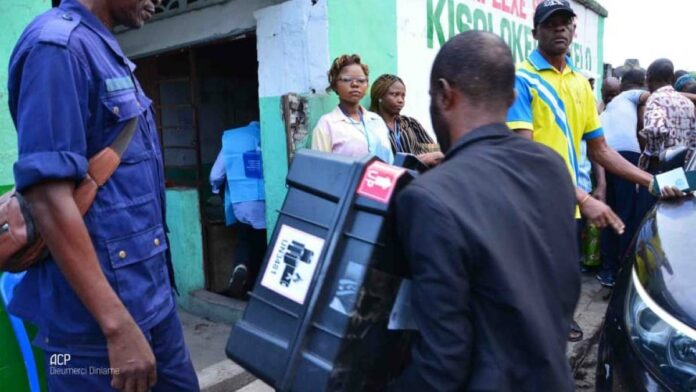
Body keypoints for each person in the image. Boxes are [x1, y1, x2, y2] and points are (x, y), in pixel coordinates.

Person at [7, 0, 199, 390]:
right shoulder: (56, 48)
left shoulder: (103, 50)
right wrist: (116, 327)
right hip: (91, 334)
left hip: (152, 305)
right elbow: (47, 195)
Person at [389, 31, 579, 392]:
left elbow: (442, 363)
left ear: (445, 95)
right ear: (510, 98)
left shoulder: (430, 197)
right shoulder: (552, 168)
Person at [506, 0, 684, 341]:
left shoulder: (578, 84)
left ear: (573, 29)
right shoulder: (521, 79)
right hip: (531, 202)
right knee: (531, 286)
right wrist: (584, 196)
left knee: (562, 278)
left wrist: (653, 181)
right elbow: (524, 153)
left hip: (567, 203)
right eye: (549, 23)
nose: (558, 28)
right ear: (535, 32)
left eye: (564, 22)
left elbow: (600, 149)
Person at [597, 69, 648, 287]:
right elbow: (658, 96)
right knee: (625, 216)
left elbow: (597, 150)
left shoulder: (603, 112)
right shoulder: (628, 96)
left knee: (610, 216)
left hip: (604, 158)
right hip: (624, 157)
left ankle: (608, 270)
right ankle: (621, 272)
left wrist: (601, 184)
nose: (611, 96)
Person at [210, 122, 267, 299]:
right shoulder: (270, 134)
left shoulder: (232, 139)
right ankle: (255, 287)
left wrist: (215, 188)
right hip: (268, 200)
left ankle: (241, 266)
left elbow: (215, 175)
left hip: (242, 200)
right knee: (262, 243)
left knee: (245, 238)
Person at [636, 58, 696, 217]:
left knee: (648, 218)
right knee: (674, 218)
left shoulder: (654, 99)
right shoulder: (687, 102)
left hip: (659, 170)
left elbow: (655, 129)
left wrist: (647, 145)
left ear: (649, 79)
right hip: (682, 172)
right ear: (671, 79)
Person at [311, 54, 394, 164]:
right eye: (347, 79)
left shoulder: (377, 121)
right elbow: (320, 168)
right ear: (335, 85)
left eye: (361, 80)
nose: (355, 84)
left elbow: (389, 162)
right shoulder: (327, 124)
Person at [369, 74, 444, 166]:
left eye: (403, 96)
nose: (400, 100)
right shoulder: (370, 126)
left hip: (416, 176)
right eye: (395, 95)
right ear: (379, 97)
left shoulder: (410, 123)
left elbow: (432, 150)